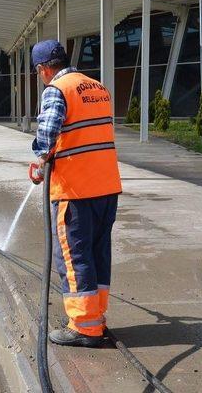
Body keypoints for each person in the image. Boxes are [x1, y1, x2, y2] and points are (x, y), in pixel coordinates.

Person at [29, 40, 122, 348]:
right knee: (98, 253)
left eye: (38, 71)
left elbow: (49, 129)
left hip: (76, 189)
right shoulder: (97, 87)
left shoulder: (57, 89)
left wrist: (40, 159)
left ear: (43, 69)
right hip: (106, 187)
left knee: (74, 256)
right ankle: (96, 316)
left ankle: (85, 327)